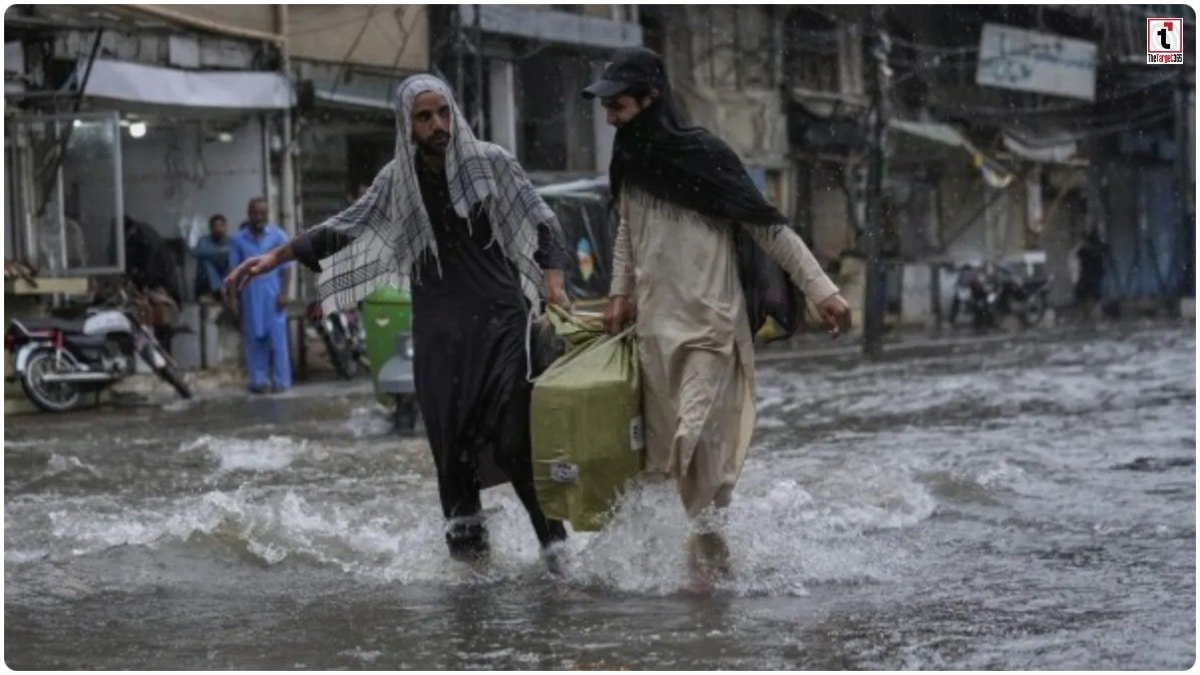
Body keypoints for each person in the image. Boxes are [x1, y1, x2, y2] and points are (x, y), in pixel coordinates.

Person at [225, 74, 572, 566]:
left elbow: (543, 222)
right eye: (424, 117)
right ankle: (471, 582)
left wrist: (553, 283)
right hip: (439, 337)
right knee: (452, 463)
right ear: (406, 125)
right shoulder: (397, 182)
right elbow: (341, 229)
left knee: (518, 447)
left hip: (500, 326)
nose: (437, 125)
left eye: (443, 113)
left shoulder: (491, 164)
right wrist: (273, 258)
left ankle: (558, 558)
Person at [587, 48, 853, 580]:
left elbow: (765, 225)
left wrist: (821, 289)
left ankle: (706, 569)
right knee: (665, 464)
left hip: (710, 328)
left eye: (618, 105)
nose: (610, 117)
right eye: (607, 107)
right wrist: (618, 293)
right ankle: (708, 570)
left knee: (695, 443)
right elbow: (627, 232)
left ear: (651, 99)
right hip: (653, 334)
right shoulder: (628, 161)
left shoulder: (704, 154)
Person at [228, 198, 292, 394]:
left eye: (262, 213)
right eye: (255, 213)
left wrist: (284, 293)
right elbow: (234, 272)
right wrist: (232, 300)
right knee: (254, 340)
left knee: (277, 340)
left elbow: (287, 268)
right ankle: (258, 381)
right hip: (250, 296)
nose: (258, 217)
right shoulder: (239, 240)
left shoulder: (278, 236)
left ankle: (281, 382)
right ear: (248, 214)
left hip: (273, 296)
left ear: (267, 214)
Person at [123, 215, 182, 351]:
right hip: (151, 280)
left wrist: (142, 285)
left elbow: (148, 267)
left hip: (161, 280)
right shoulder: (137, 237)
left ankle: (164, 350)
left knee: (160, 313)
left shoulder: (147, 240)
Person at [193, 214, 231, 302]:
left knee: (232, 262)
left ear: (225, 227)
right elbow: (198, 253)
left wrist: (215, 253)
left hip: (225, 277)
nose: (218, 229)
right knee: (206, 262)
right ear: (210, 228)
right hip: (206, 281)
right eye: (215, 226)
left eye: (221, 226)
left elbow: (232, 256)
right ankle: (221, 291)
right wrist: (220, 251)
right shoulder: (204, 240)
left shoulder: (230, 241)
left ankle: (222, 290)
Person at [1074, 228, 1106, 321]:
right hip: (1092, 275)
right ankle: (1090, 313)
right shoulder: (1096, 250)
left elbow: (1078, 254)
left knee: (1085, 294)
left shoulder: (1085, 251)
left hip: (1088, 275)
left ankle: (1088, 313)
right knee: (1093, 294)